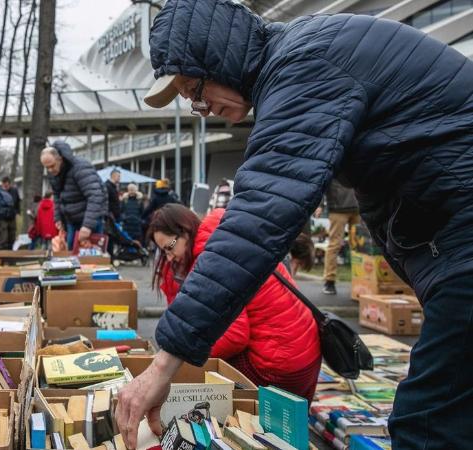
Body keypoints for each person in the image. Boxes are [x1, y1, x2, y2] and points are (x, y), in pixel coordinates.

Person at [116, 0, 473, 448]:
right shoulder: (307, 58)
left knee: (427, 426)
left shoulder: (304, 68)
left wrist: (163, 365)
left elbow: (258, 218)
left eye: (195, 90)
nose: (200, 107)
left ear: (219, 60)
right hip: (453, 247)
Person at [149, 204, 321, 402]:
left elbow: (234, 336)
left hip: (280, 366)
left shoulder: (212, 258)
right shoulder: (224, 235)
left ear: (185, 230)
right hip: (305, 356)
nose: (169, 258)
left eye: (169, 248)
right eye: (163, 252)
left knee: (197, 383)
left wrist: (179, 356)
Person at [40, 141, 107, 250]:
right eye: (46, 167)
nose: (50, 170)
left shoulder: (80, 167)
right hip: (72, 220)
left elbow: (95, 195)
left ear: (60, 159)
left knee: (92, 258)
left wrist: (87, 226)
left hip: (90, 219)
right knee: (71, 253)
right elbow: (57, 195)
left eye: (52, 166)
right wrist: (58, 218)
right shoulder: (54, 174)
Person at [316, 180, 360, 295]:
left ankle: (363, 281)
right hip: (338, 208)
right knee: (334, 245)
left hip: (358, 207)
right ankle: (329, 281)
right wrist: (319, 205)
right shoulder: (334, 162)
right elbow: (322, 180)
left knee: (360, 246)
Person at [0, 177, 18, 250]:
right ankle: (1, 255)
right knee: (3, 237)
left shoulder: (14, 191)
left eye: (7, 186)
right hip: (2, 218)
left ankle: (10, 252)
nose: (5, 188)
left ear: (9, 184)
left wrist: (16, 212)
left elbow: (17, 202)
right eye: (4, 186)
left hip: (12, 217)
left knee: (12, 236)